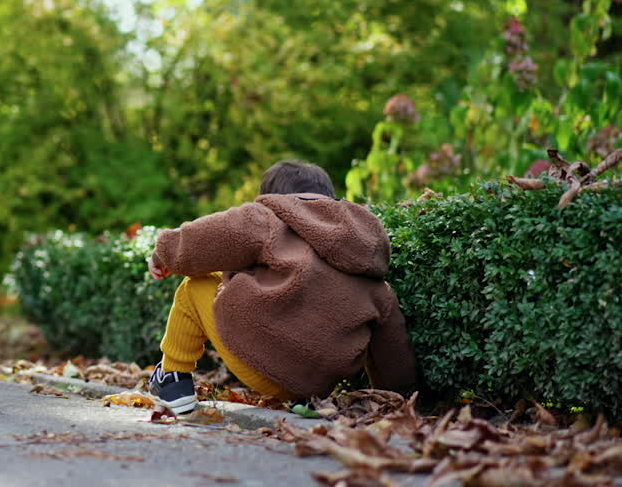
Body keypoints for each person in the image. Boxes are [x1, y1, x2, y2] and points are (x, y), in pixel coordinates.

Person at [145, 160, 418, 413]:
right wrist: (398, 398)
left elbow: (213, 236)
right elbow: (392, 351)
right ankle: (299, 400)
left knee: (196, 286)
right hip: (316, 385)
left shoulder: (268, 218)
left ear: (273, 198)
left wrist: (165, 252)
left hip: (259, 362)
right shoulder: (366, 257)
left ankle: (172, 376)